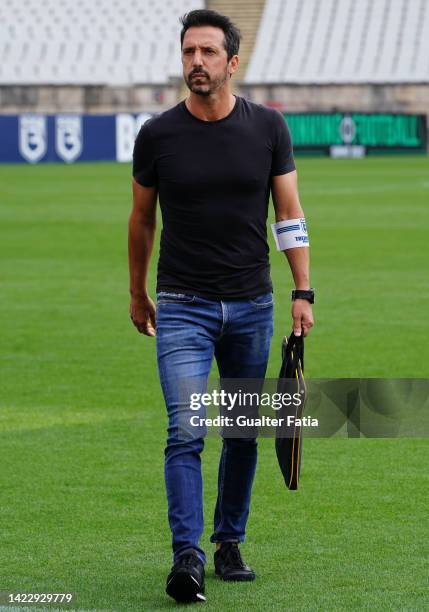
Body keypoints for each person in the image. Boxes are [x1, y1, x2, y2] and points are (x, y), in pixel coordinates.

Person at [128, 8, 314, 604]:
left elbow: (289, 212)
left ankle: (228, 543)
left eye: (208, 53)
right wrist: (137, 291)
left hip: (253, 306)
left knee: (240, 434)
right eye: (189, 52)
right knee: (186, 430)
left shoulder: (268, 128)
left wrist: (302, 290)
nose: (197, 63)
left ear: (232, 62)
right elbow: (141, 220)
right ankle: (188, 555)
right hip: (181, 304)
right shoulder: (157, 134)